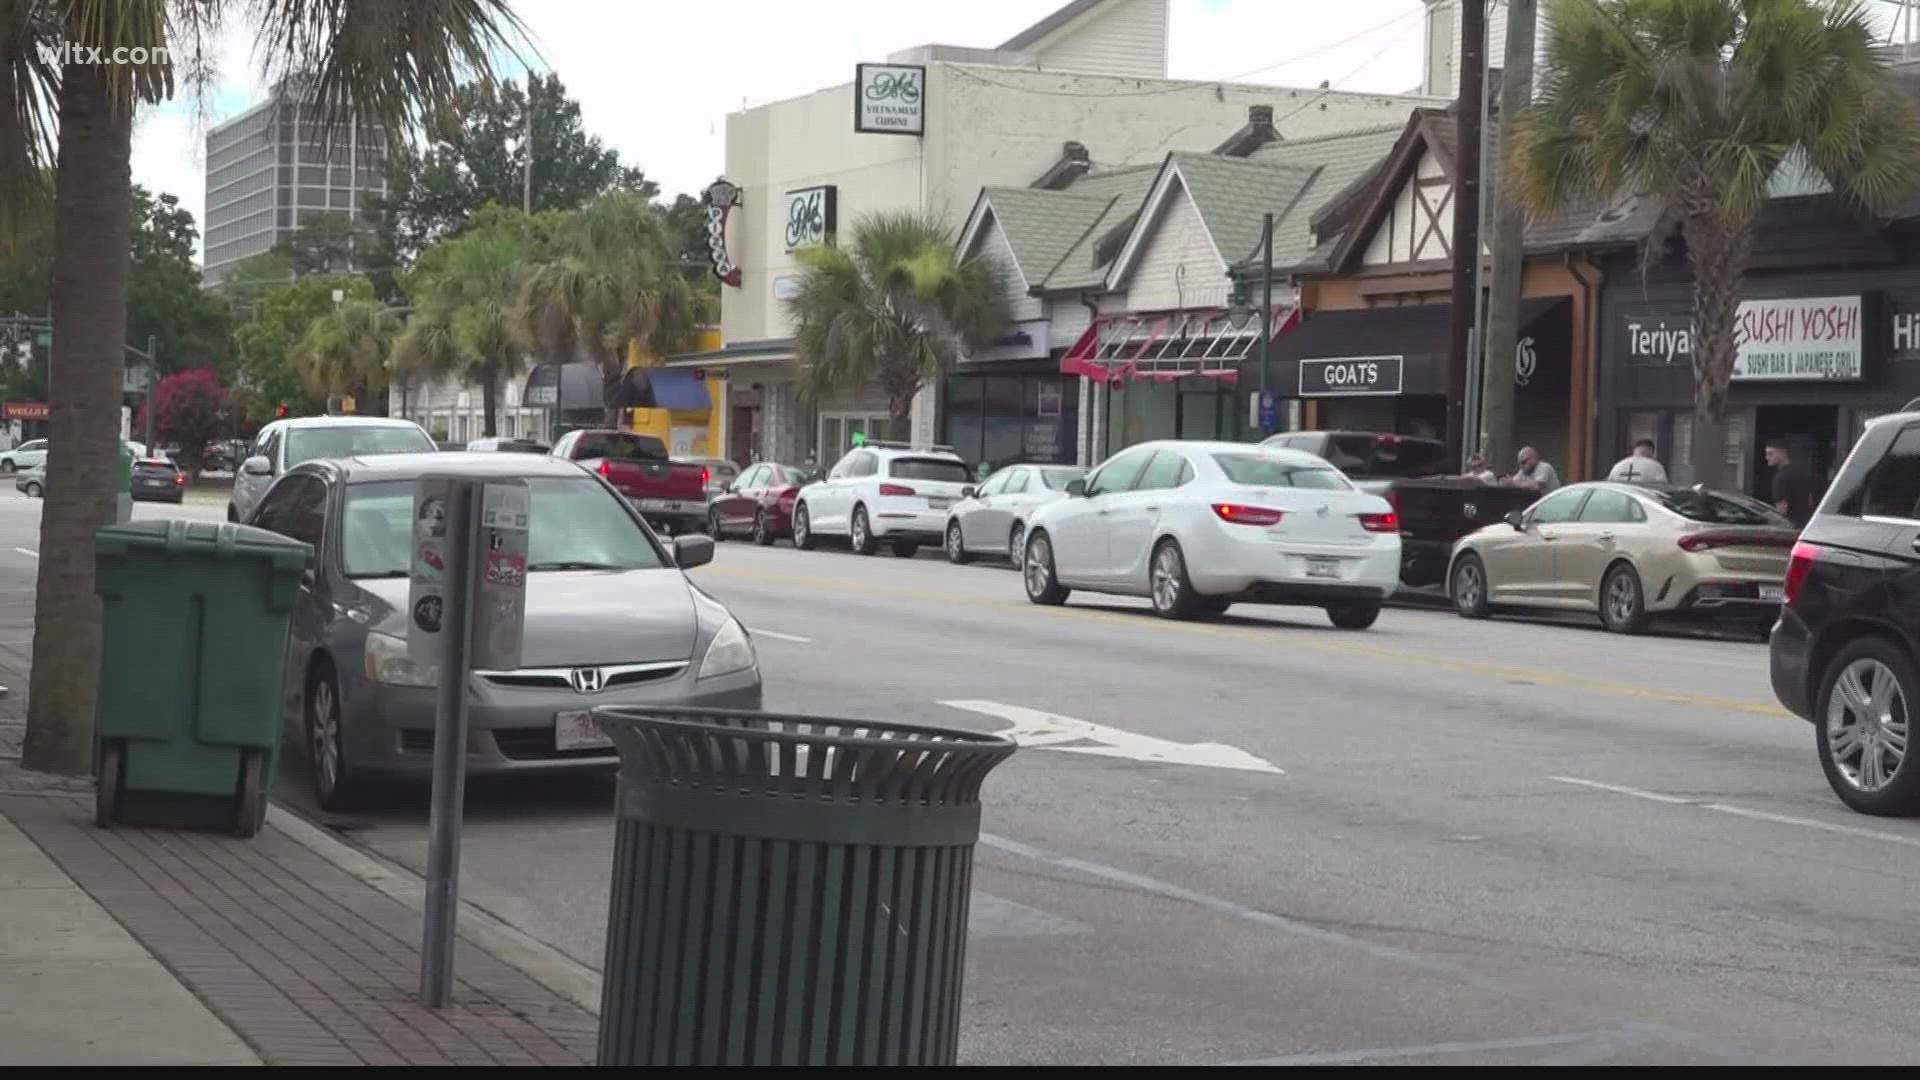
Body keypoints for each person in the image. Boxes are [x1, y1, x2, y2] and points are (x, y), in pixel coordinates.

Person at [1765, 437, 1813, 526]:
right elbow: (1810, 500)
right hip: (1805, 525)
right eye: (1767, 454)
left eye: (1771, 454)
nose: (1767, 457)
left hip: (1790, 527)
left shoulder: (1780, 478)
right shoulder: (1802, 472)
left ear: (1783, 452)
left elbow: (1781, 512)